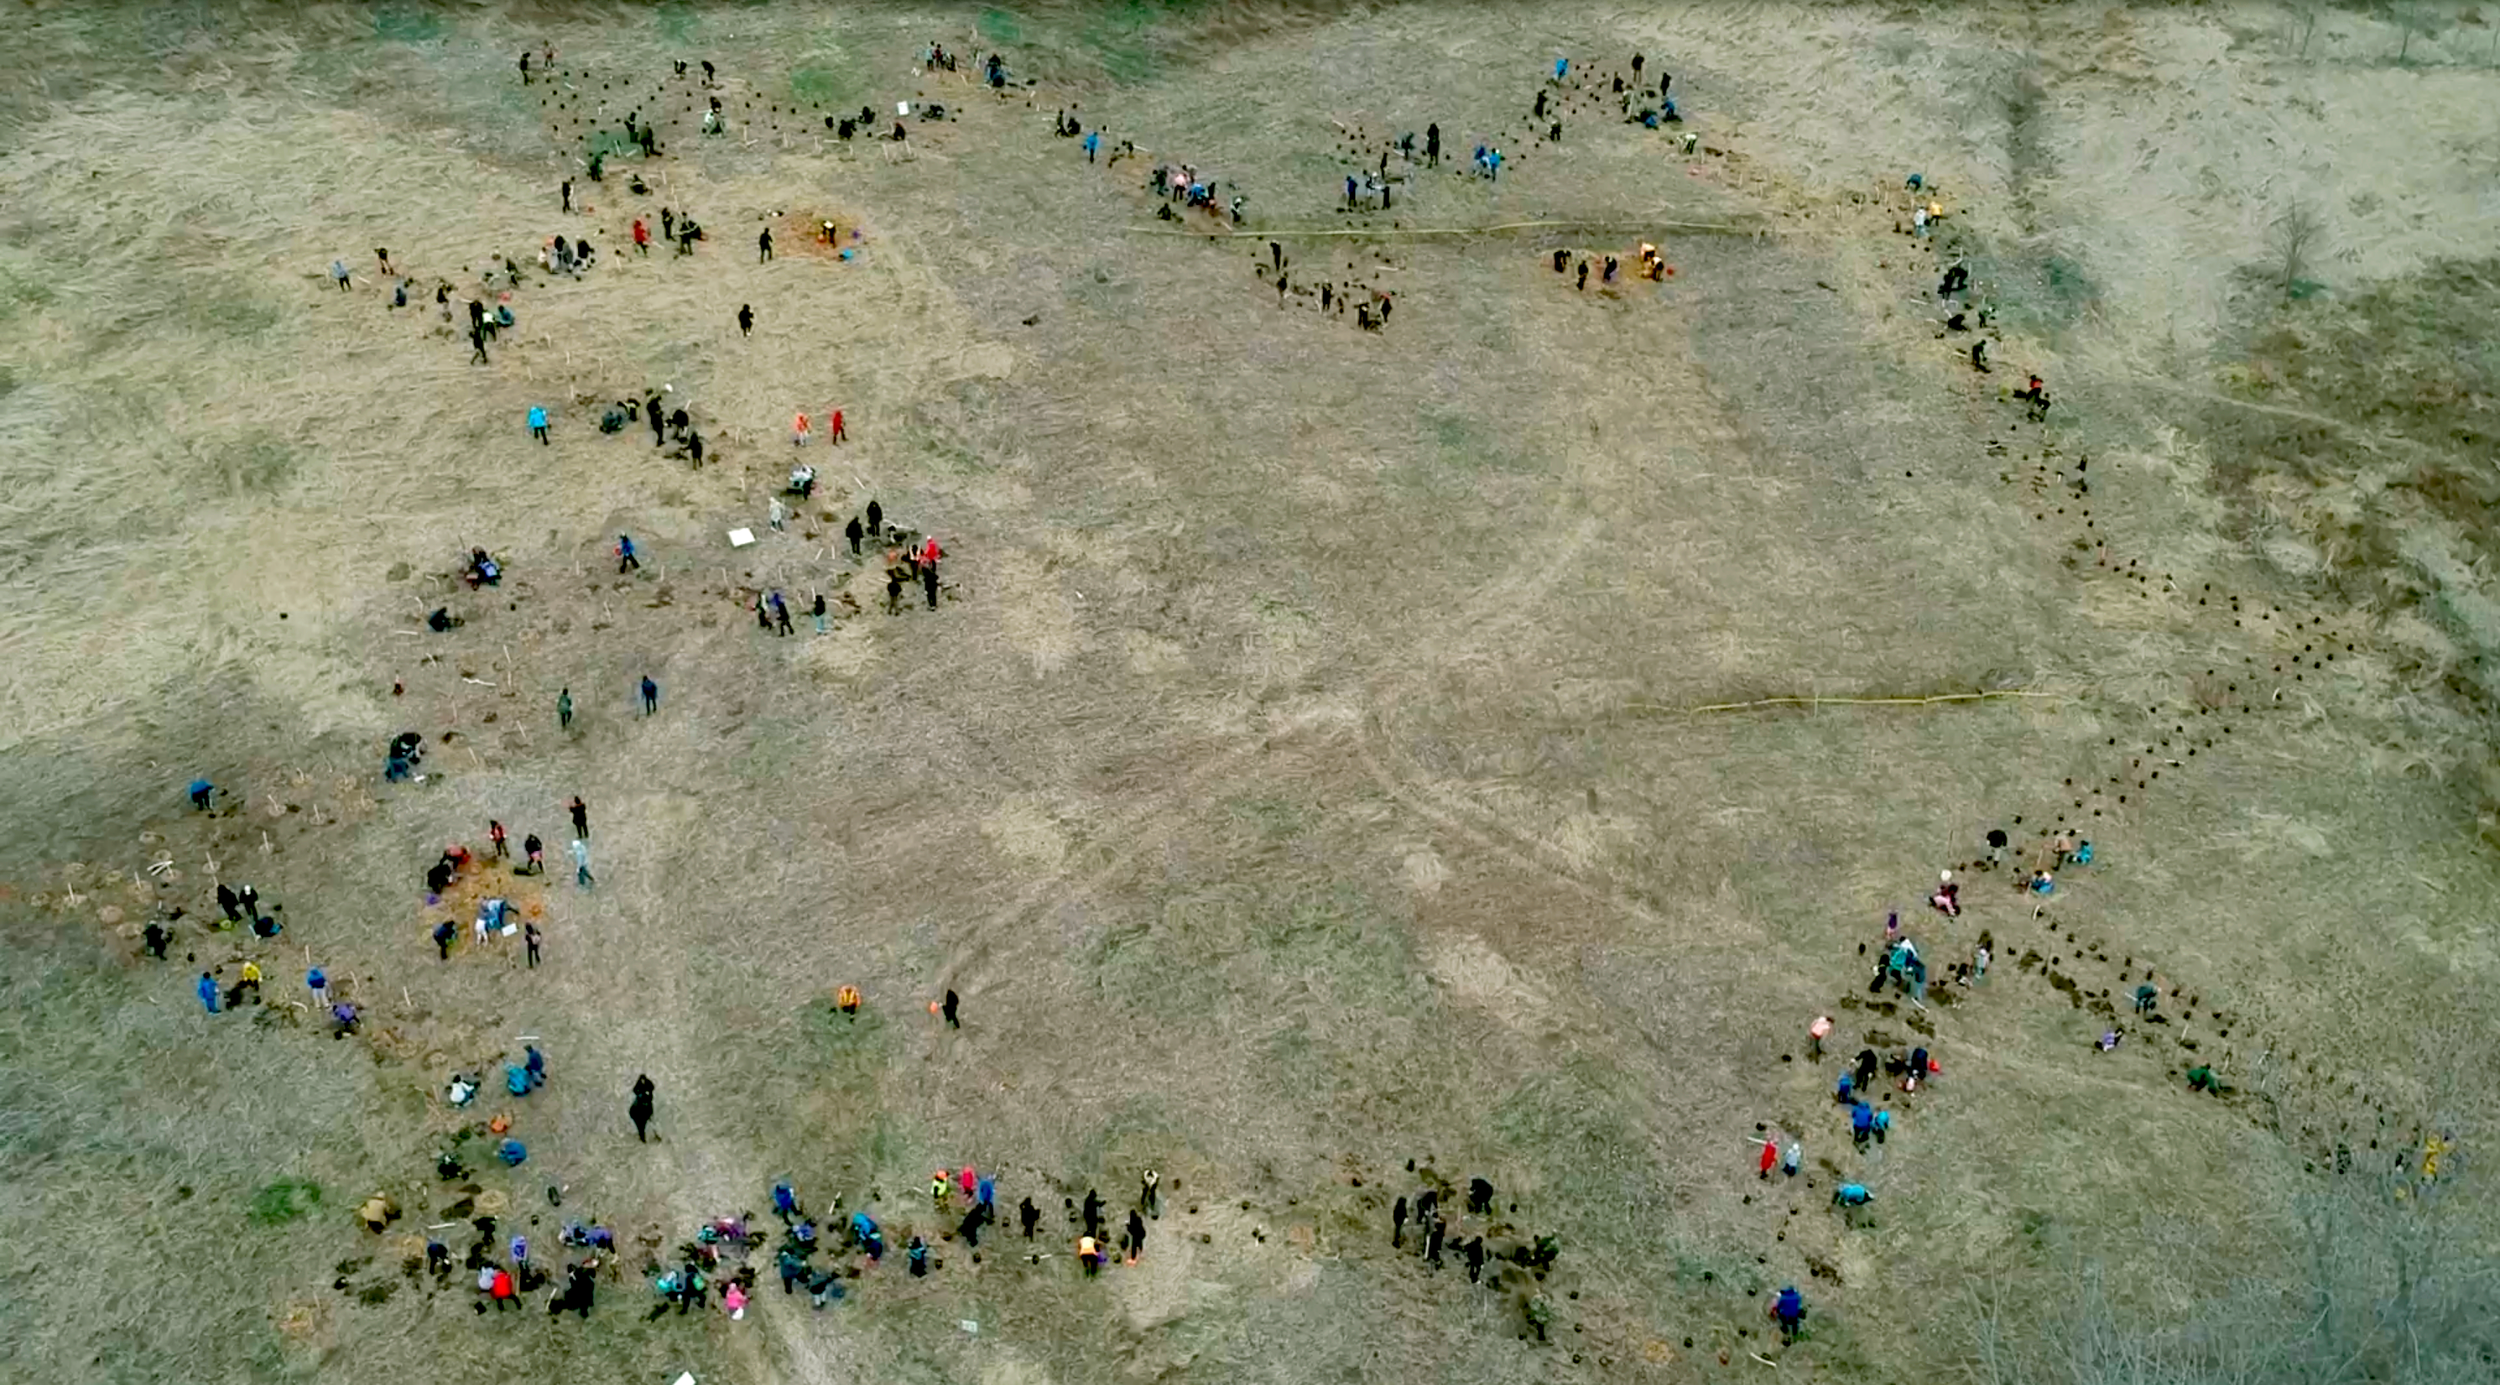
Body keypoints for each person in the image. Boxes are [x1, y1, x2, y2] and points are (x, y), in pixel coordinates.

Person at [629, 1074, 655, 1141]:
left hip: (643, 1111)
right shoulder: (640, 1093)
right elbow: (635, 1090)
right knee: (641, 1127)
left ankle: (642, 1137)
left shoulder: (647, 1093)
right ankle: (642, 1137)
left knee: (642, 1127)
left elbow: (651, 1088)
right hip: (638, 1111)